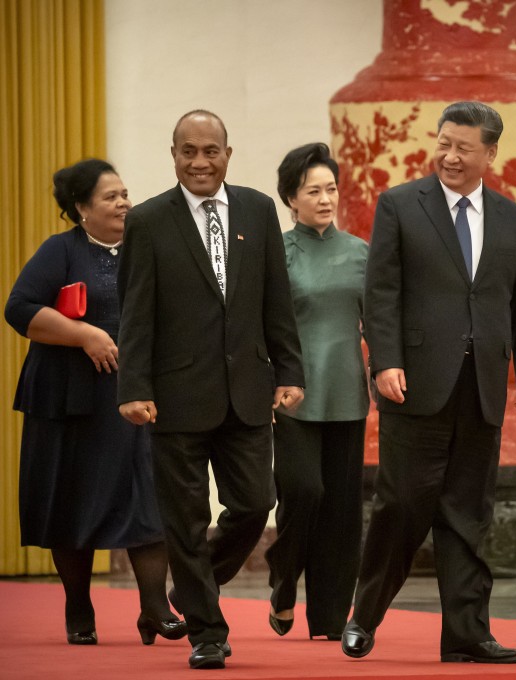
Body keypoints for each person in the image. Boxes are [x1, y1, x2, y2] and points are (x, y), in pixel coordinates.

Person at [341, 101, 516, 664]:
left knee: (468, 514)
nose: (450, 156)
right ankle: (364, 615)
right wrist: (384, 361)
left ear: (490, 153)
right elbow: (381, 293)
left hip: (481, 387)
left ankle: (467, 633)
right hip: (414, 383)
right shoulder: (400, 205)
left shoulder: (513, 219)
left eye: (464, 148)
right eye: (444, 144)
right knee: (401, 507)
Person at [117, 110, 305, 670]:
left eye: (210, 151)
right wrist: (133, 386)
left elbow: (276, 299)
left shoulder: (258, 210)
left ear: (228, 154)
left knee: (255, 503)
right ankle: (206, 632)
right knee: (186, 519)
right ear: (173, 155)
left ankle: (190, 588)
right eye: (188, 151)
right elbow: (135, 312)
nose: (200, 162)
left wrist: (290, 371)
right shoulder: (148, 220)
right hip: (174, 397)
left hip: (248, 390)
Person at [4, 159, 186, 647]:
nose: (124, 203)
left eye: (125, 194)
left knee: (146, 497)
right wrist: (85, 334)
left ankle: (155, 607)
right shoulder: (60, 250)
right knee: (71, 502)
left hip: (132, 396)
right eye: (111, 197)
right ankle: (78, 606)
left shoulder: (145, 249)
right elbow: (19, 309)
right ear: (82, 208)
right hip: (68, 399)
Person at [263, 143, 369, 640]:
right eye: (313, 191)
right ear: (291, 198)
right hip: (293, 395)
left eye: (331, 189)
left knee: (342, 513)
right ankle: (283, 581)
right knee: (304, 492)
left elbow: (379, 322)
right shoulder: (276, 253)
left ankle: (328, 619)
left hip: (347, 394)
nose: (325, 199)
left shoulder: (361, 253)